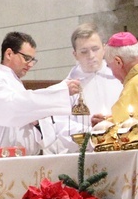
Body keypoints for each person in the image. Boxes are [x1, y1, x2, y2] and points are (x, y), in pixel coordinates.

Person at [0, 32, 82, 156]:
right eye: (26, 58)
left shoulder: (14, 84)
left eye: (32, 60)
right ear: (9, 54)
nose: (30, 64)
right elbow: (15, 109)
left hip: (23, 158)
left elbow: (28, 110)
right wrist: (59, 90)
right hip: (1, 160)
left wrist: (37, 121)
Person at [44, 24, 124, 153]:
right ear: (75, 54)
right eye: (84, 51)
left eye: (95, 49)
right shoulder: (67, 88)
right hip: (85, 155)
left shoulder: (120, 80)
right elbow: (62, 125)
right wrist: (95, 133)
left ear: (104, 49)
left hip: (120, 149)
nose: (91, 55)